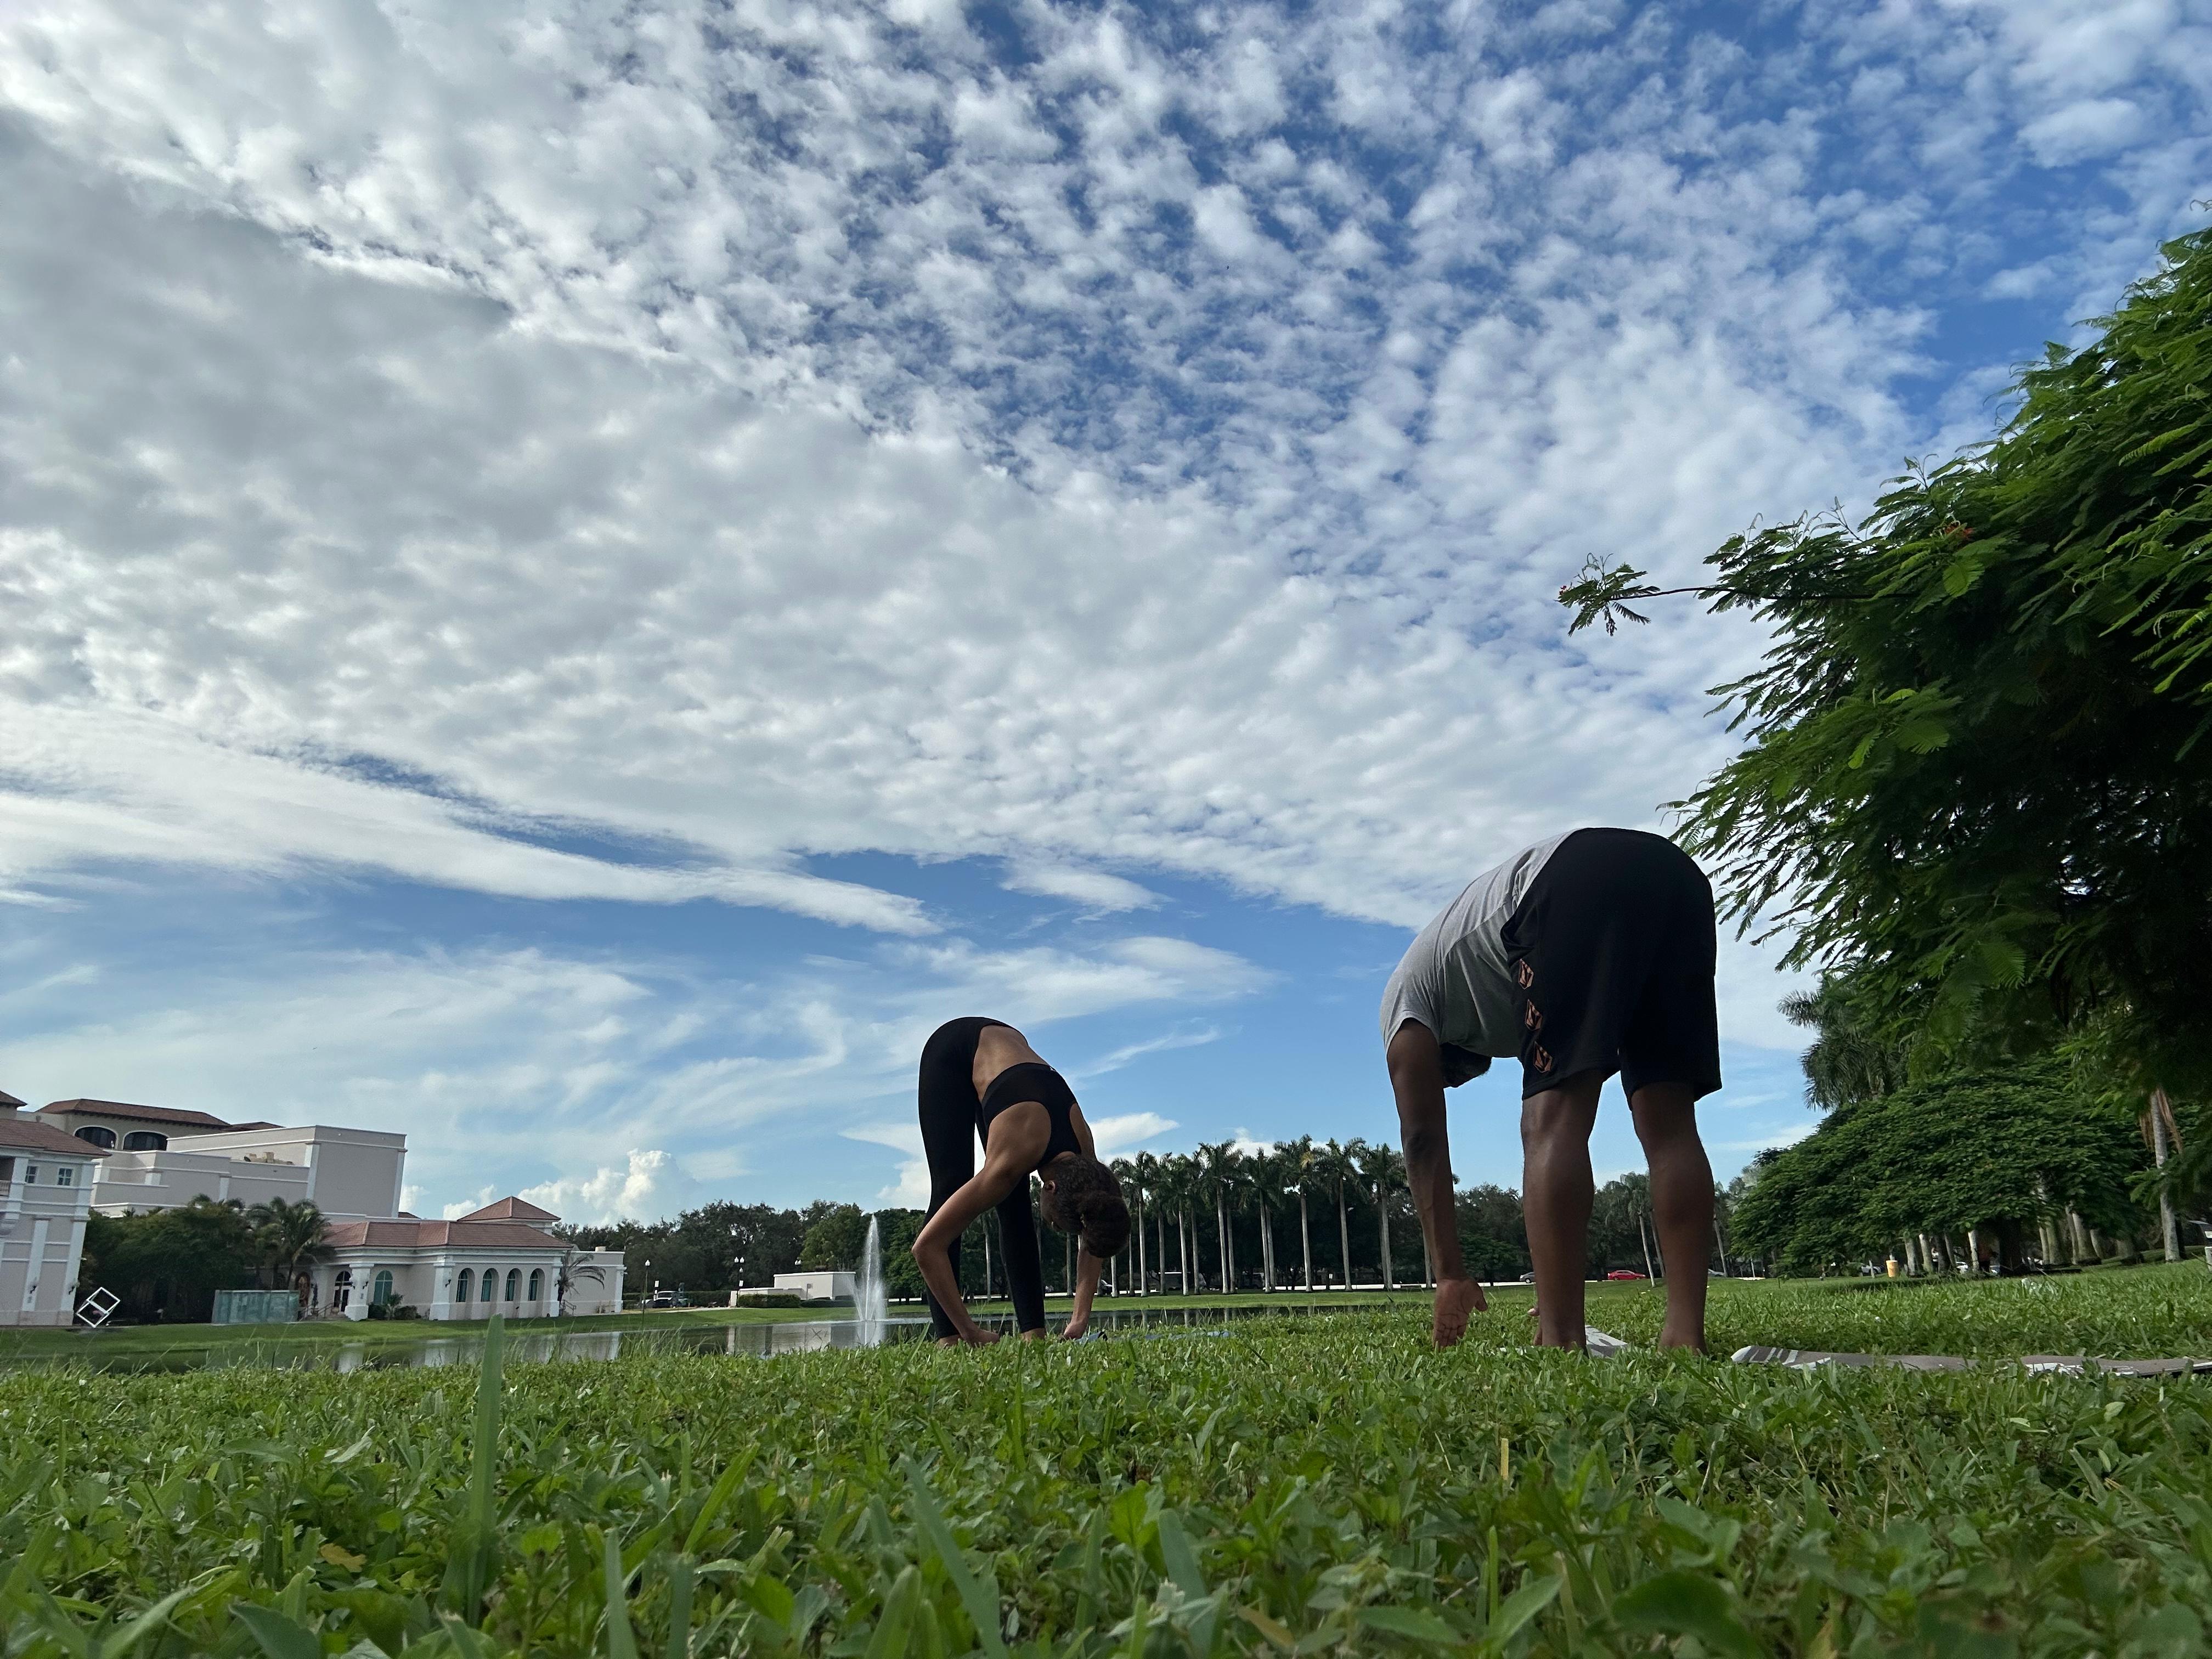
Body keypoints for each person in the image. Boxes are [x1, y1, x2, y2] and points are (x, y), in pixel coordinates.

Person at [1380, 828, 1722, 1352]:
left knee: (1549, 1120)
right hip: (1677, 879)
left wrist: (1448, 1273)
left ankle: (1562, 1341)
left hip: (1567, 880)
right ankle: (1684, 1338)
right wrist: (1552, 1275)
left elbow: (1422, 1139)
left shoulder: (1403, 1005)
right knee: (1669, 1120)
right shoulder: (1476, 993)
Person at [909, 1017, 1132, 1345]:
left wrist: (1080, 1318)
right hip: (953, 1051)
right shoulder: (1013, 1157)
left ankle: (1034, 1334)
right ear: (1050, 1187)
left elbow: (1094, 1226)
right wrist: (971, 1332)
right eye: (1057, 1224)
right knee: (951, 1188)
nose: (1054, 1227)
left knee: (1013, 1202)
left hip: (1012, 1058)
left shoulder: (1087, 1161)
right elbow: (927, 1249)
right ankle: (950, 1338)